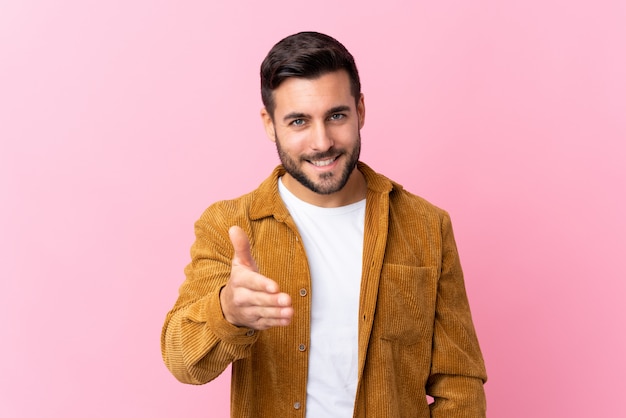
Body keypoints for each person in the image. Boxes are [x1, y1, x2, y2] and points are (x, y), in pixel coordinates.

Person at [161, 31, 487, 417]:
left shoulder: (426, 226)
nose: (322, 142)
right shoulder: (229, 225)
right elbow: (183, 361)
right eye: (299, 121)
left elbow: (459, 382)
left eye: (336, 116)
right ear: (270, 124)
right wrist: (228, 311)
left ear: (360, 110)